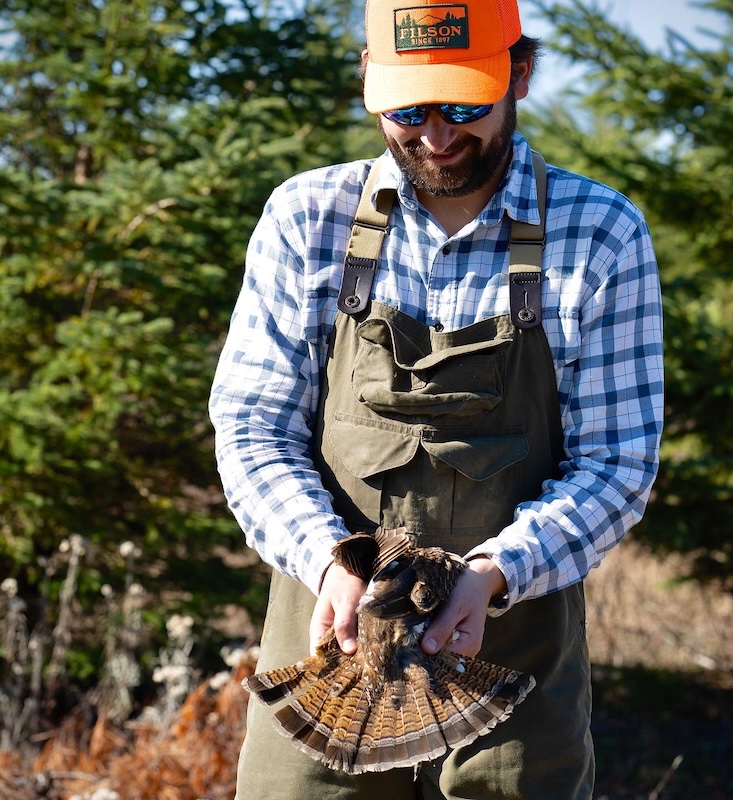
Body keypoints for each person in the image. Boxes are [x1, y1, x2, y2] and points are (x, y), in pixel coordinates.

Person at [209, 0, 664, 796]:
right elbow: (252, 430)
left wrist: (493, 574)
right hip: (331, 649)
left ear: (519, 73)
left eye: (463, 105)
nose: (437, 135)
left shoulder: (599, 232)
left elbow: (618, 464)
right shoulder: (307, 218)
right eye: (409, 109)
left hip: (513, 656)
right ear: (370, 85)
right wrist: (330, 561)